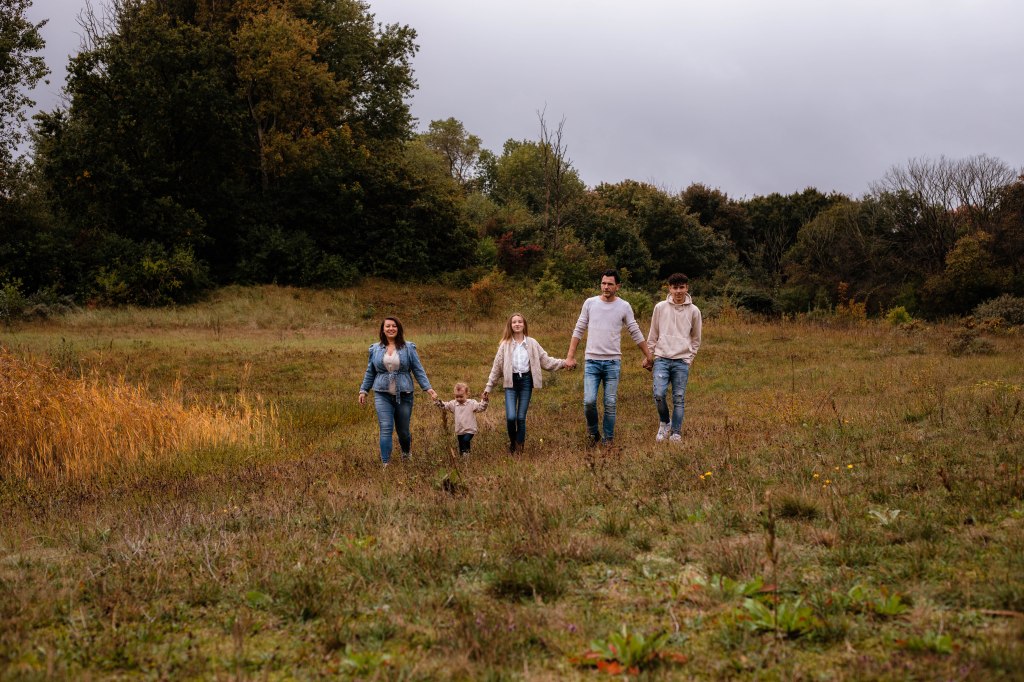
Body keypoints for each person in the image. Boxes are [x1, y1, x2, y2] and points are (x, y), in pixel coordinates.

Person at [566, 270, 653, 445]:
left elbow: (634, 331)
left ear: (617, 287)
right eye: (603, 283)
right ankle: (593, 433)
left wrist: (649, 356)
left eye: (610, 284)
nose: (606, 287)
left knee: (610, 403)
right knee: (589, 401)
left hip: (613, 362)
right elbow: (579, 329)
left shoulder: (624, 306)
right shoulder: (590, 303)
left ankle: (608, 439)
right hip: (592, 361)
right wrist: (570, 356)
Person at [483, 313, 569, 454]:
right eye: (514, 322)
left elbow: (546, 361)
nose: (517, 324)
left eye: (520, 322)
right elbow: (496, 368)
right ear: (510, 326)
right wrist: (488, 387)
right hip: (510, 383)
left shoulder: (532, 343)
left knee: (521, 417)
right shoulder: (505, 345)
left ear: (524, 325)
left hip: (526, 383)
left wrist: (563, 363)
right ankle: (512, 443)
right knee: (511, 417)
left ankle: (519, 448)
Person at [358, 316, 437, 466]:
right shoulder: (375, 349)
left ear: (398, 328)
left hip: (405, 394)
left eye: (394, 326)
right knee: (386, 427)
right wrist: (364, 390)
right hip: (382, 393)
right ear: (383, 329)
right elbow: (370, 371)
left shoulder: (408, 348)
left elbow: (418, 369)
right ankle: (385, 463)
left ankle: (406, 454)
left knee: (403, 431)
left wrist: (428, 388)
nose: (390, 329)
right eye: (387, 326)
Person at [646, 273, 702, 442]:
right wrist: (650, 356)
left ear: (687, 288)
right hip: (662, 358)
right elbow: (653, 334)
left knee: (678, 398)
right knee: (659, 394)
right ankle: (665, 423)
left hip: (681, 361)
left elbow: (696, 338)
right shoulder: (660, 307)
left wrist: (689, 358)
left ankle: (676, 433)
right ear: (669, 288)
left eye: (682, 287)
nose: (678, 291)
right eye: (675, 288)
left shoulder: (694, 311)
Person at [435, 382, 488, 456]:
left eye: (461, 396)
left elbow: (481, 408)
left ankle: (466, 456)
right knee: (461, 445)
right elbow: (444, 406)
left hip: (470, 429)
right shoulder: (454, 404)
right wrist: (437, 401)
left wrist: (484, 401)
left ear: (467, 394)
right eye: (457, 397)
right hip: (459, 430)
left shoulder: (471, 403)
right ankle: (463, 458)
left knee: (465, 441)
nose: (459, 399)